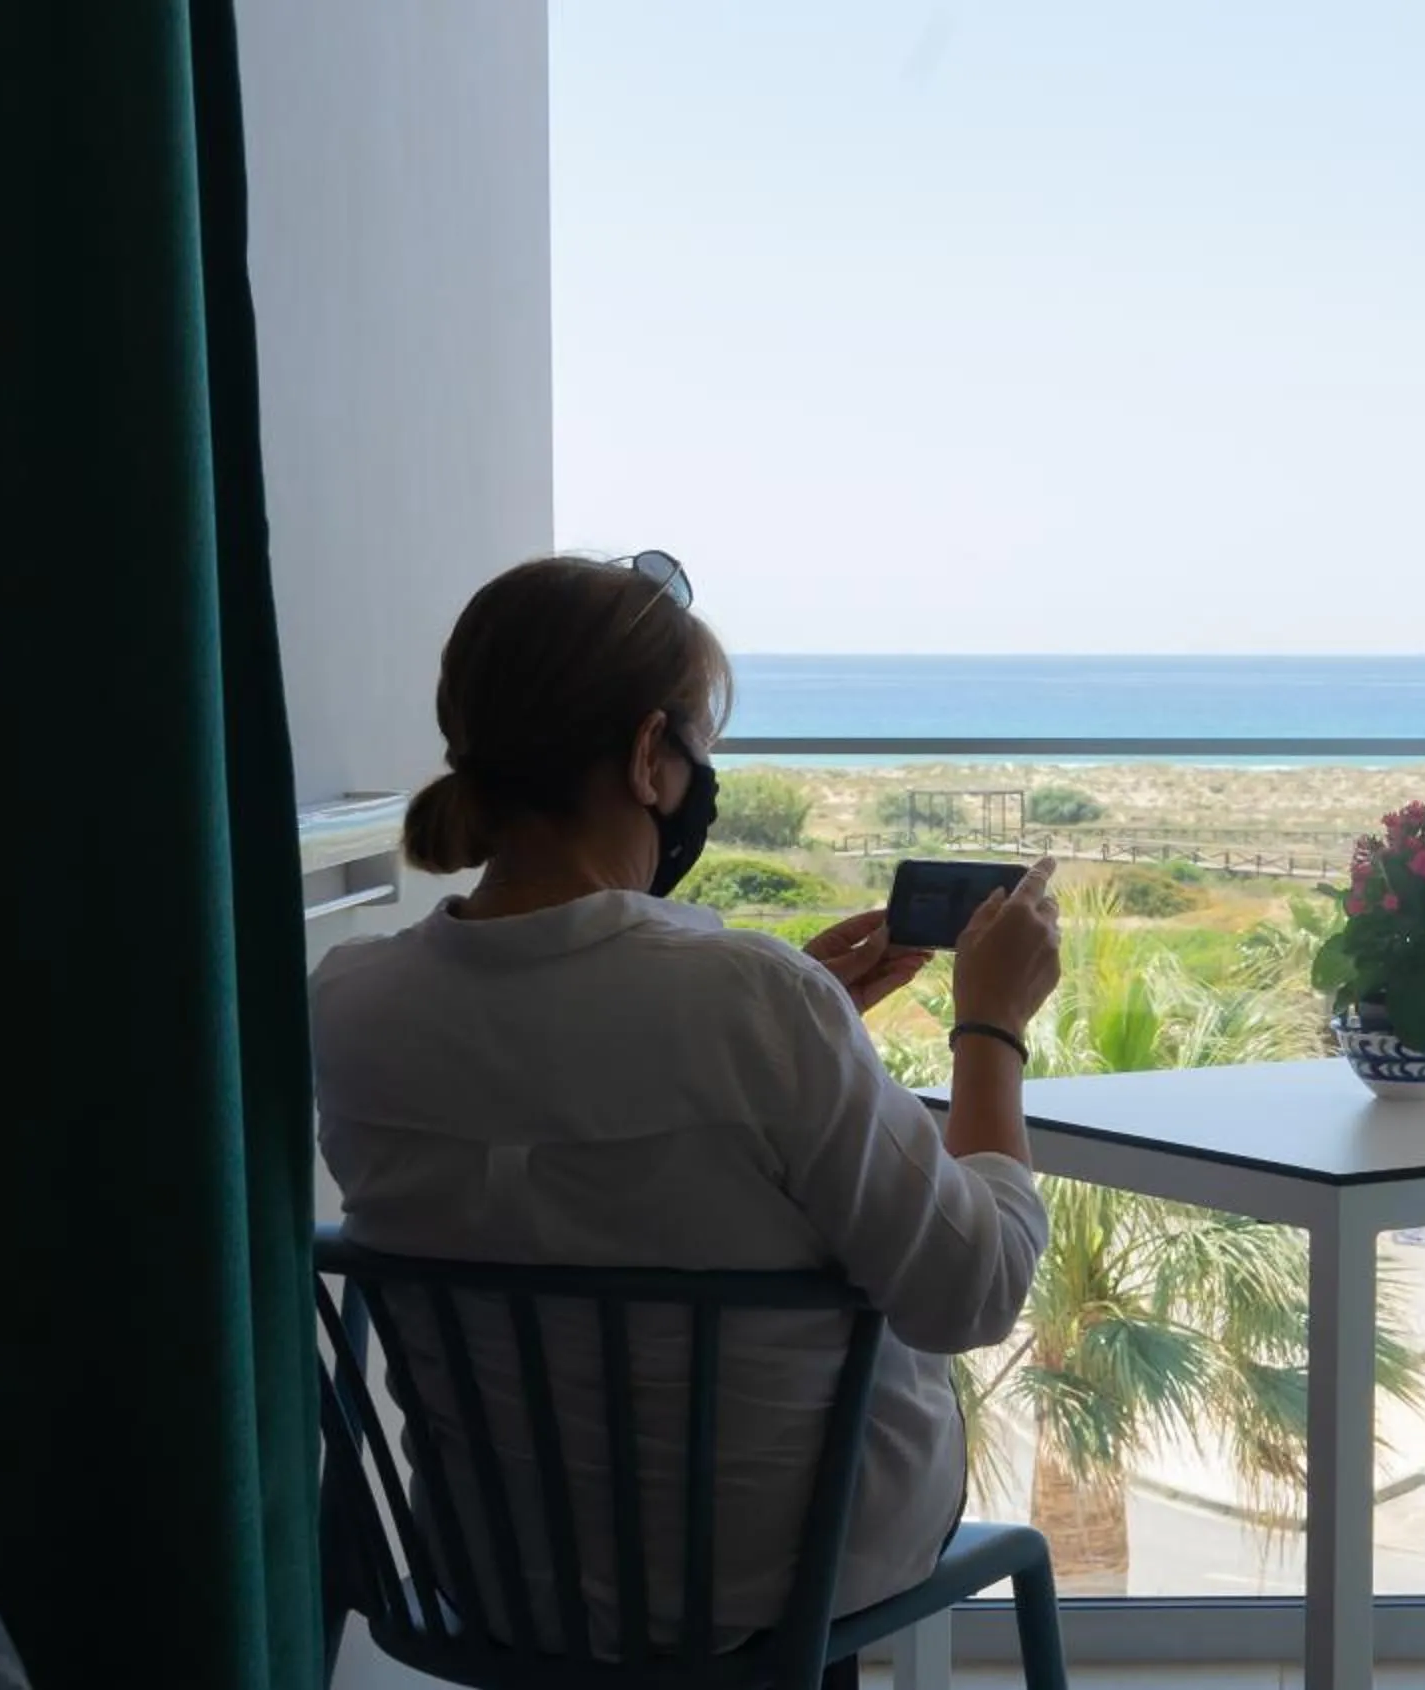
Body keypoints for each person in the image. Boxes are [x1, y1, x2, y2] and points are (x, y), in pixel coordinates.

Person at [308, 554, 1061, 1648]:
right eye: (698, 748)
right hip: (784, 1579)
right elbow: (973, 1289)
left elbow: (567, 1057)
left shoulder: (352, 1001)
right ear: (650, 756)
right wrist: (991, 1026)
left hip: (497, 1572)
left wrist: (811, 1026)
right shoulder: (752, 1005)